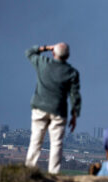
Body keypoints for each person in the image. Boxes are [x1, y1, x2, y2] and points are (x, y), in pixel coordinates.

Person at [25, 43, 81, 174]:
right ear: (67, 56)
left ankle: (28, 171)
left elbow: (29, 52)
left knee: (35, 141)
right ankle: (54, 174)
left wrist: (45, 48)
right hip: (58, 111)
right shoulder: (72, 73)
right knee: (56, 144)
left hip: (39, 108)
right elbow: (75, 95)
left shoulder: (43, 63)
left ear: (53, 53)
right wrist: (74, 115)